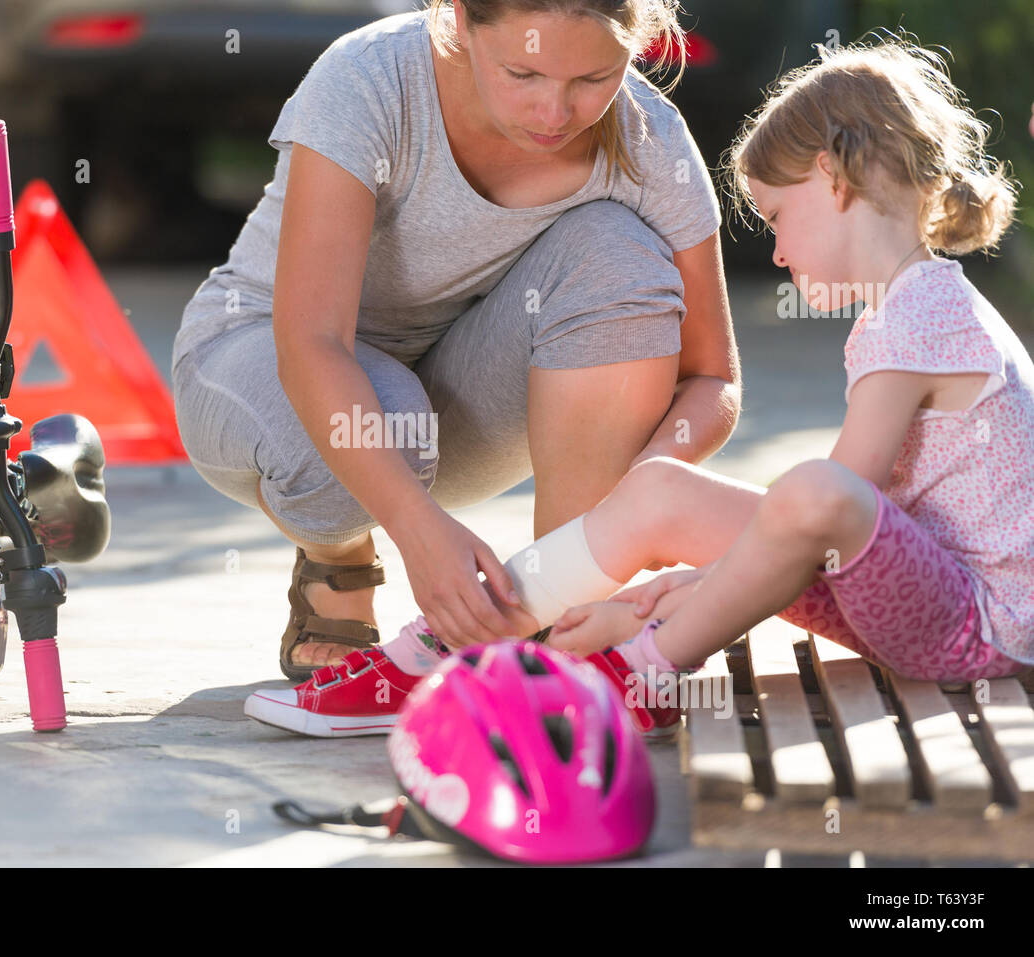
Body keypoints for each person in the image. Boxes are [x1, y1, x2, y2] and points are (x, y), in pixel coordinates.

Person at [247, 36, 1034, 737]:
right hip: (923, 592)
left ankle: (642, 670)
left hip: (977, 628)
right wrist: (698, 581)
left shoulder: (920, 319)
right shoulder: (909, 309)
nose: (781, 255)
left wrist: (700, 591)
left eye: (776, 216)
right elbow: (841, 535)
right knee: (661, 490)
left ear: (830, 178)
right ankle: (453, 639)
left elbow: (834, 512)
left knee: (814, 490)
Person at [171, 0, 740, 683]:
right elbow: (314, 342)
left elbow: (714, 378)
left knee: (618, 253)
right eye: (522, 73)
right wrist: (417, 532)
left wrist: (642, 490)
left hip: (450, 403)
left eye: (593, 78)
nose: (554, 113)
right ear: (461, 20)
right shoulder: (368, 79)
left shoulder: (652, 142)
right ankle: (341, 560)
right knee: (386, 419)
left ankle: (567, 615)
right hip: (260, 357)